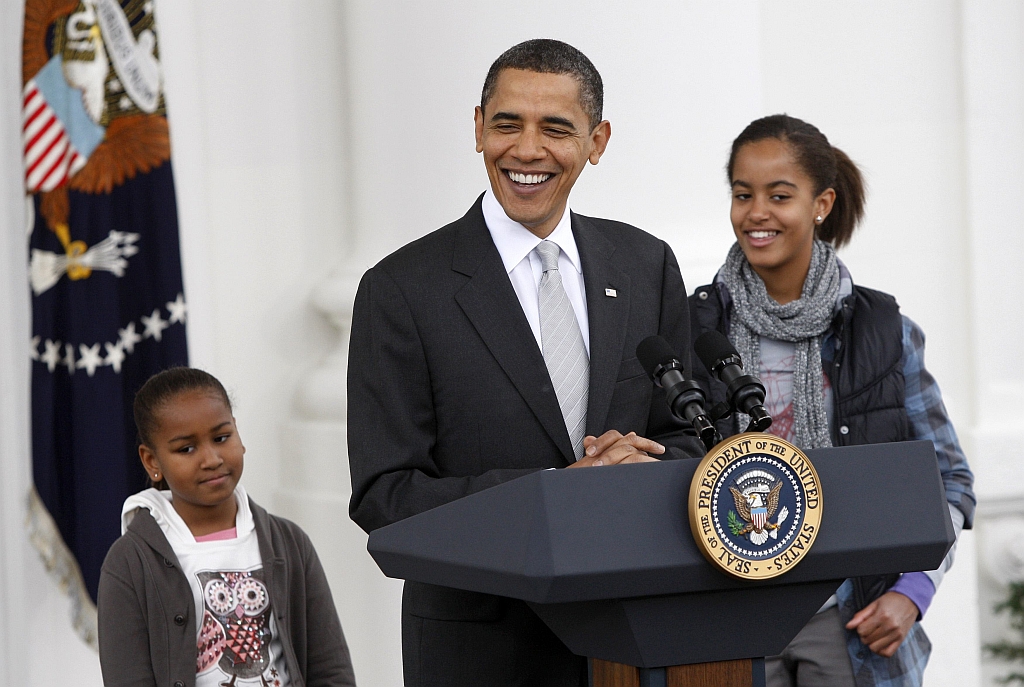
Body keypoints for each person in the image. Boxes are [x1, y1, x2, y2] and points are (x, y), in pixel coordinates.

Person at [347, 39, 705, 687]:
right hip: (480, 652)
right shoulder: (400, 288)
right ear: (478, 127)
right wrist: (555, 489)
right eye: (507, 123)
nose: (527, 149)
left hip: (632, 640)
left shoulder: (646, 265)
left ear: (597, 141)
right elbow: (385, 494)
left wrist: (643, 468)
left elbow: (688, 440)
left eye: (556, 128)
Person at [688, 114, 975, 687]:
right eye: (743, 195)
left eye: (780, 195)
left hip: (850, 624)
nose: (757, 213)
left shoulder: (885, 332)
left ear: (821, 204)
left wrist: (912, 593)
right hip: (727, 621)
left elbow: (949, 481)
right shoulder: (692, 328)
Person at [97, 367, 356, 687]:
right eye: (186, 449)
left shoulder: (289, 543)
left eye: (221, 438)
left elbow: (331, 668)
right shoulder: (129, 563)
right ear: (152, 461)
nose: (211, 458)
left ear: (238, 432)